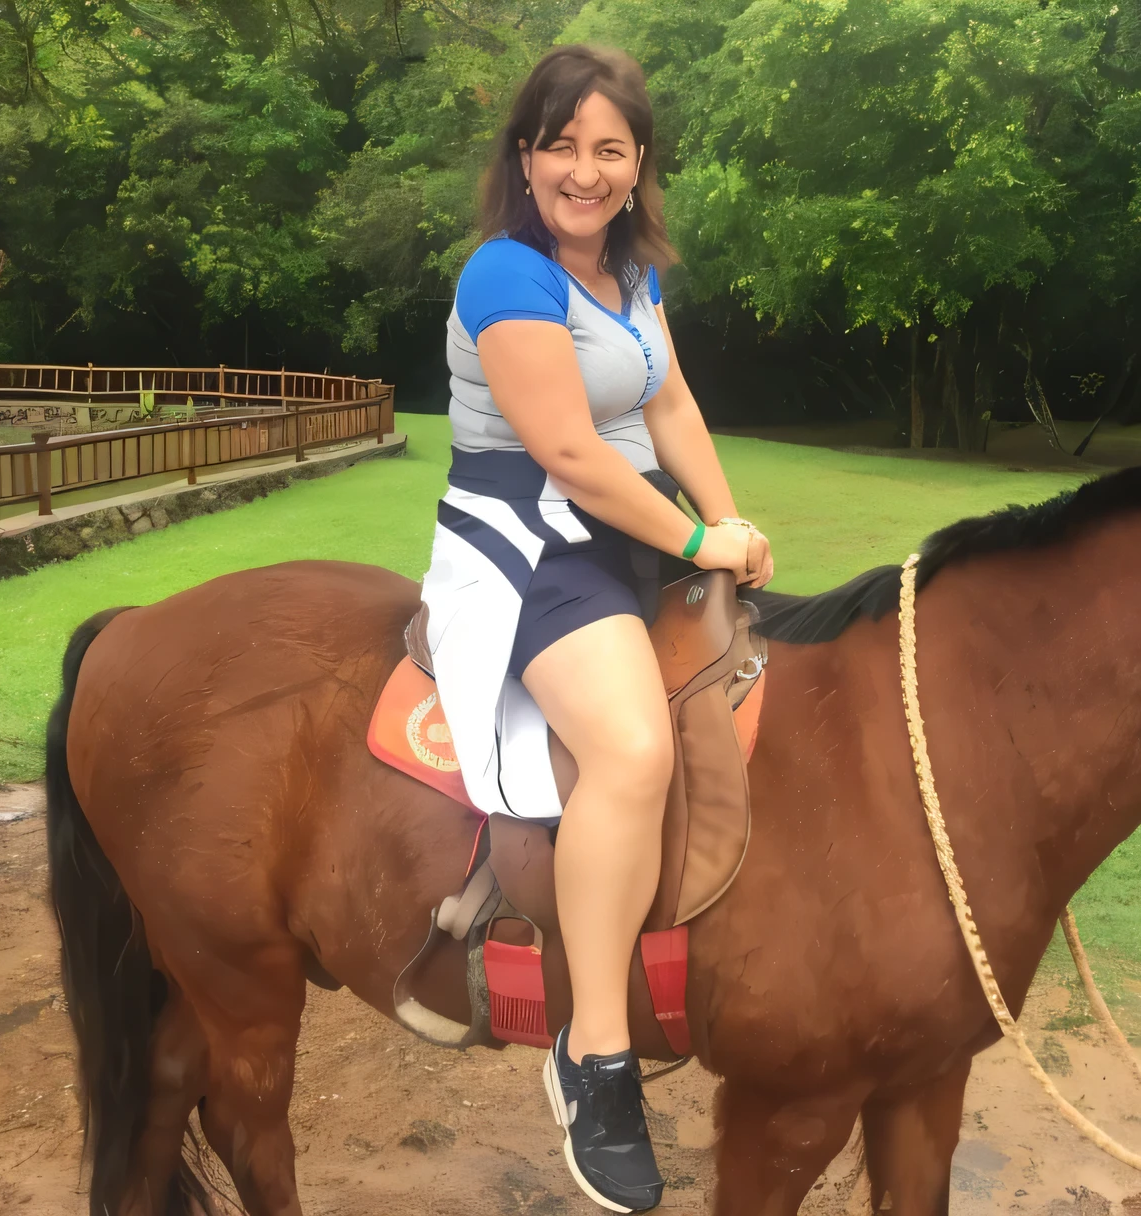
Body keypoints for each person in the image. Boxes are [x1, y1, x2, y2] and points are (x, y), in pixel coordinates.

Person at [418, 44, 774, 1213]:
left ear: (638, 165)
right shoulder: (505, 275)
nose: (585, 169)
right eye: (562, 145)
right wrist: (692, 544)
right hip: (530, 547)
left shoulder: (633, 273)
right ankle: (598, 1054)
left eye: (609, 148)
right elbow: (568, 453)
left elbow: (669, 401)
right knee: (629, 748)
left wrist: (725, 512)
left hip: (629, 532)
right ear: (525, 158)